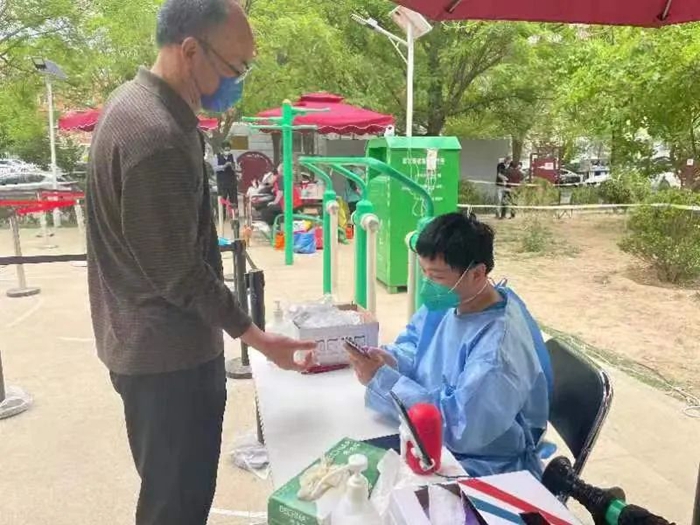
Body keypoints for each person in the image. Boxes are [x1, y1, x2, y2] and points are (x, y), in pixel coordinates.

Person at [85, 1, 315, 524]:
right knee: (176, 506)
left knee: (173, 497)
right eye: (236, 68)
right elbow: (178, 270)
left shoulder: (135, 104)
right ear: (190, 51)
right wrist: (257, 337)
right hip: (169, 360)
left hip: (146, 346)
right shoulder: (156, 135)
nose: (238, 82)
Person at [346, 213, 552, 479]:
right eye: (424, 272)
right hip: (436, 440)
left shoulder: (496, 351)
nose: (427, 284)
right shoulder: (454, 299)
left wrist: (384, 381)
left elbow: (459, 428)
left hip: (480, 464)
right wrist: (390, 360)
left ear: (477, 273)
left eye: (436, 276)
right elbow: (417, 342)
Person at [216, 142, 238, 210]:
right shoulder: (216, 156)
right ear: (222, 149)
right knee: (222, 200)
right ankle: (222, 214)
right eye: (226, 150)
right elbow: (215, 168)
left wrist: (232, 166)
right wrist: (224, 166)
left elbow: (236, 168)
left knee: (233, 199)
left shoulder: (232, 156)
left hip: (231, 181)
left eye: (229, 150)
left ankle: (234, 214)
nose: (227, 151)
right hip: (222, 182)